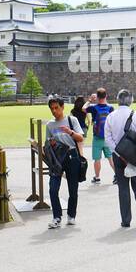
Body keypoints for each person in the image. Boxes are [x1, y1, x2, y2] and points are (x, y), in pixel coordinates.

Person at [104, 89, 136, 227]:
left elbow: (108, 139)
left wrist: (119, 153)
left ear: (118, 99)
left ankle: (126, 220)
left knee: (123, 189)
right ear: (130, 100)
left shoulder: (110, 116)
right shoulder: (135, 115)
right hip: (135, 156)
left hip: (118, 157)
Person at [44, 96, 85, 229]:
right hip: (57, 158)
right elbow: (47, 143)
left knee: (73, 189)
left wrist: (70, 132)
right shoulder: (50, 125)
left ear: (62, 107)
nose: (54, 111)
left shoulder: (71, 120)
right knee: (53, 189)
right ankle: (57, 217)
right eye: (52, 109)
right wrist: (51, 143)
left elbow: (80, 138)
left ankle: (71, 216)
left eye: (56, 108)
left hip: (72, 156)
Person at [85, 88, 114, 184]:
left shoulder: (93, 108)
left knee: (97, 159)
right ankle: (117, 175)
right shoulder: (110, 108)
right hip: (108, 137)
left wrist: (90, 100)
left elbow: (83, 108)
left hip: (97, 137)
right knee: (110, 158)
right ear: (106, 96)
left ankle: (97, 177)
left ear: (97, 97)